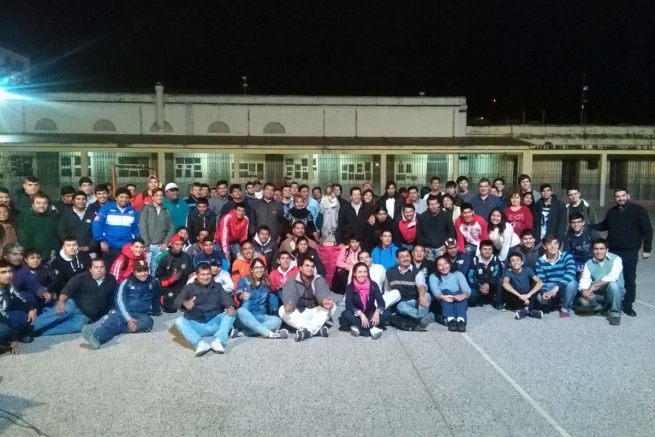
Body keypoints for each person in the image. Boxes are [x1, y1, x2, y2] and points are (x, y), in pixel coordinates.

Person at [591, 188, 652, 317]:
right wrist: (587, 226)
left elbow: (647, 230)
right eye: (617, 196)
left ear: (628, 196)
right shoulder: (612, 211)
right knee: (611, 277)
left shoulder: (639, 211)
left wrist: (647, 249)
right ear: (615, 198)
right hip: (613, 251)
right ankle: (609, 302)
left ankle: (628, 304)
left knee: (629, 278)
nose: (620, 198)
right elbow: (603, 225)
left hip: (629, 251)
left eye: (623, 195)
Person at [81, 260, 160, 349]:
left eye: (145, 270)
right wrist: (128, 319)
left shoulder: (153, 282)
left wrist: (157, 310)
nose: (143, 273)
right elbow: (120, 300)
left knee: (148, 323)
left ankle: (107, 326)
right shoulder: (126, 283)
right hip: (123, 312)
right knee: (115, 319)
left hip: (140, 315)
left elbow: (156, 298)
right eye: (139, 271)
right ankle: (98, 337)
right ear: (134, 272)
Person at [33, 259, 116, 336]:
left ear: (105, 268)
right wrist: (61, 302)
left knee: (78, 327)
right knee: (57, 314)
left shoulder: (111, 280)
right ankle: (30, 327)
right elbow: (67, 290)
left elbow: (111, 300)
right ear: (90, 269)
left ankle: (40, 332)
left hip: (85, 316)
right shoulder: (81, 277)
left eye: (101, 267)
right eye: (96, 267)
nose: (99, 270)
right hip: (73, 305)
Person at [174, 263, 237, 356]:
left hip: (215, 323)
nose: (206, 277)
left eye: (208, 274)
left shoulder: (217, 286)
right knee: (179, 321)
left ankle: (218, 341)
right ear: (197, 275)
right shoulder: (189, 288)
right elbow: (177, 301)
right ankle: (200, 343)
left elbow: (227, 300)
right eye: (203, 274)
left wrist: (230, 306)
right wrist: (185, 303)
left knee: (231, 313)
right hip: (197, 324)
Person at [279, 256, 335, 342]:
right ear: (300, 268)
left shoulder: (318, 279)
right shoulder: (292, 280)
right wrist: (289, 305)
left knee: (332, 306)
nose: (310, 268)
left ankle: (306, 331)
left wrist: (324, 301)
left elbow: (322, 291)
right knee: (282, 309)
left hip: (314, 311)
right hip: (299, 312)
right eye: (307, 265)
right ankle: (315, 330)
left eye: (312, 266)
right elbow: (290, 294)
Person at [231, 258, 288, 339]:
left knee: (277, 321)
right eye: (256, 267)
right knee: (240, 311)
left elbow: (274, 290)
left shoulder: (266, 282)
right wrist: (242, 295)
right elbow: (238, 293)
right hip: (246, 317)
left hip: (261, 316)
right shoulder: (243, 280)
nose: (259, 270)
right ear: (251, 270)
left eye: (261, 267)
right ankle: (268, 333)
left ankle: (245, 332)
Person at [578, 238, 625, 325]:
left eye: (601, 249)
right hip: (599, 294)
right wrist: (585, 291)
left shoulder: (616, 259)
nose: (599, 252)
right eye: (596, 249)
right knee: (584, 300)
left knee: (613, 285)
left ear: (607, 249)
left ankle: (615, 314)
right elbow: (585, 279)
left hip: (614, 292)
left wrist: (594, 285)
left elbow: (612, 277)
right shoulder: (589, 263)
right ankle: (601, 308)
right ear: (593, 250)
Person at [92, 187, 140, 267]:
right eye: (121, 197)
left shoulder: (133, 211)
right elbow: (97, 225)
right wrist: (102, 241)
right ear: (116, 197)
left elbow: (136, 230)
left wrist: (136, 244)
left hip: (127, 248)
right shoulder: (106, 209)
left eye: (126, 197)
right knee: (109, 269)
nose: (124, 199)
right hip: (109, 247)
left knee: (124, 269)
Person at [386, 248, 431, 330]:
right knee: (401, 306)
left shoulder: (417, 272)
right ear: (397, 259)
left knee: (426, 295)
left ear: (410, 257)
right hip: (402, 304)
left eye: (407, 256)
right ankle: (427, 317)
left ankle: (419, 319)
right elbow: (386, 290)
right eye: (402, 257)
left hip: (416, 302)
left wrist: (421, 297)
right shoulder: (390, 272)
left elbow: (421, 285)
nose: (406, 258)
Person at [535, 235, 578, 318]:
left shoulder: (567, 256)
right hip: (550, 285)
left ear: (559, 245)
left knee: (572, 284)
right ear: (544, 246)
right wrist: (544, 291)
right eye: (549, 244)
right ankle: (555, 303)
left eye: (555, 243)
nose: (553, 246)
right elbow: (541, 280)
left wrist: (557, 287)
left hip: (564, 285)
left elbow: (571, 272)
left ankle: (565, 308)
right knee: (540, 298)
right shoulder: (540, 261)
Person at [341, 262, 388, 339]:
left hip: (371, 314)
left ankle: (360, 328)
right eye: (359, 272)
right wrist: (361, 314)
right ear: (354, 274)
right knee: (345, 314)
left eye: (365, 272)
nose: (363, 274)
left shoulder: (373, 285)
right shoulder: (350, 287)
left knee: (386, 313)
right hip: (357, 315)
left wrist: (377, 312)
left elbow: (381, 301)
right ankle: (369, 329)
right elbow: (349, 305)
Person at [0, 260, 37, 355]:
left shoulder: (8, 285)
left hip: (5, 315)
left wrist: (31, 309)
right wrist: (14, 338)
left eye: (10, 271)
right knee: (4, 330)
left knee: (24, 317)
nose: (8, 275)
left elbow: (19, 299)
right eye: (3, 272)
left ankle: (7, 340)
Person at [429, 256, 471, 332]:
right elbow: (435, 291)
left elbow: (466, 289)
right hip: (442, 301)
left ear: (450, 264)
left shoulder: (458, 274)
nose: (443, 267)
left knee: (461, 295)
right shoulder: (433, 276)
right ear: (437, 267)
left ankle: (460, 320)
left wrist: (462, 296)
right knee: (446, 291)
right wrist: (443, 297)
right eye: (440, 265)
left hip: (456, 300)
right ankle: (450, 319)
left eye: (445, 263)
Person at [139, 187, 174, 272]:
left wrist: (165, 243)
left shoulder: (166, 211)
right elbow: (143, 227)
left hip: (160, 247)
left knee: (157, 271)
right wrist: (146, 244)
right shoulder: (146, 209)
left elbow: (171, 228)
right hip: (148, 247)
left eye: (161, 195)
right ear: (152, 197)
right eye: (157, 195)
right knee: (146, 270)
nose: (159, 197)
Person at [156, 234, 194, 313]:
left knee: (189, 308)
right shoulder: (164, 258)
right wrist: (171, 279)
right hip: (169, 287)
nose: (179, 247)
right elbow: (159, 278)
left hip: (183, 286)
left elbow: (191, 272)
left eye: (181, 244)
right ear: (172, 244)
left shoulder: (186, 257)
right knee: (170, 309)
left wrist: (191, 276)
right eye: (177, 244)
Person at [16, 192, 59, 260]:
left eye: (44, 203)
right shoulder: (24, 217)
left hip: (49, 256)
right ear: (32, 204)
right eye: (38, 203)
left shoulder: (53, 216)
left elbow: (56, 236)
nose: (42, 205)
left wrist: (55, 249)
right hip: (31, 257)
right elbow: (23, 239)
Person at [502, 252, 544, 320]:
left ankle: (525, 310)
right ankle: (529, 311)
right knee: (508, 286)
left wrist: (528, 295)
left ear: (522, 262)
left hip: (528, 295)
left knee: (536, 283)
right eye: (513, 261)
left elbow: (540, 282)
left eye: (518, 260)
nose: (516, 262)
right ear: (510, 264)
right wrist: (520, 296)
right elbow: (505, 283)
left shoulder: (528, 270)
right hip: (516, 296)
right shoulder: (508, 272)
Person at [57, 191, 98, 257]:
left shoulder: (93, 214)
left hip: (90, 251)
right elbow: (61, 231)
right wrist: (72, 245)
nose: (81, 201)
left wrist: (90, 246)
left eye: (83, 199)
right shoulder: (66, 215)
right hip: (71, 252)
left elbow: (97, 232)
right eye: (78, 199)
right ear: (73, 201)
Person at [417, 196, 456, 261]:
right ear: (428, 206)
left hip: (442, 247)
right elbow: (419, 234)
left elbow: (451, 232)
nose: (433, 206)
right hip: (428, 248)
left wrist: (447, 245)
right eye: (431, 204)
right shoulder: (422, 217)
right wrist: (423, 247)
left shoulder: (445, 215)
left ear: (439, 204)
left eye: (435, 204)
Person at [467, 240, 503, 309]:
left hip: (492, 285)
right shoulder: (474, 260)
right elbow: (470, 276)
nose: (487, 251)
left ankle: (498, 303)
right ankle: (483, 299)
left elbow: (498, 273)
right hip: (479, 286)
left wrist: (488, 283)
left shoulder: (495, 259)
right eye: (485, 249)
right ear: (480, 250)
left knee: (500, 281)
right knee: (472, 296)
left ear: (492, 250)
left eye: (489, 249)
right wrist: (479, 287)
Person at [268, 251, 298, 316]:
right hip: (279, 295)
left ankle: (289, 309)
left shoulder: (296, 271)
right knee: (273, 294)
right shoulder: (274, 273)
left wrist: (285, 286)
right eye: (283, 258)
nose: (286, 260)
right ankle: (274, 312)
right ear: (278, 261)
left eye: (287, 258)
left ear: (290, 260)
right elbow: (271, 287)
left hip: (292, 295)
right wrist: (277, 286)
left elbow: (298, 285)